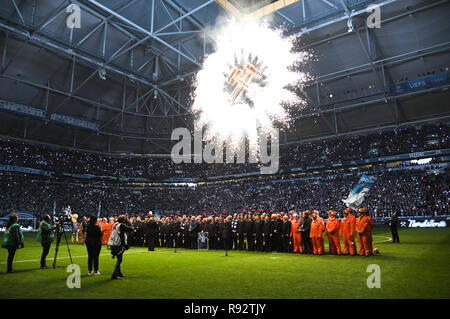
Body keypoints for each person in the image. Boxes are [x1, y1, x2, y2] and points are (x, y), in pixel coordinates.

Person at [109, 215, 135, 280]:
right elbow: (131, 228)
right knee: (119, 259)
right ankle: (114, 274)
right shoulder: (122, 225)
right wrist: (129, 222)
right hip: (119, 243)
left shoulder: (115, 224)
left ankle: (119, 273)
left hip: (113, 242)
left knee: (118, 257)